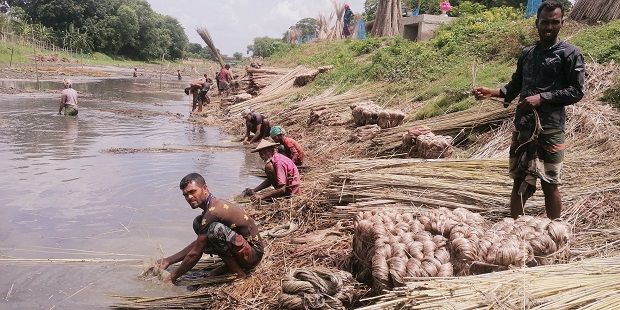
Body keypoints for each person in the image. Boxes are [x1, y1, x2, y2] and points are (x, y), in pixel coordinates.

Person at [471, 0, 584, 220]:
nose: (549, 27)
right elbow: (515, 86)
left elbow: (576, 91)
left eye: (554, 22)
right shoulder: (527, 54)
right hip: (523, 128)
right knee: (519, 180)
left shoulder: (570, 54)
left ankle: (554, 232)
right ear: (537, 23)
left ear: (562, 23)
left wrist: (543, 98)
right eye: (545, 22)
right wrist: (493, 92)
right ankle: (516, 231)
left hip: (550, 129)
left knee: (550, 182)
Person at [157, 173, 264, 283]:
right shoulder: (210, 208)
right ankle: (231, 265)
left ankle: (239, 274)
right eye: (185, 195)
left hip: (253, 255)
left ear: (204, 188)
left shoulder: (213, 212)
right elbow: (199, 243)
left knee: (215, 230)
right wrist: (168, 261)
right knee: (198, 223)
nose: (189, 197)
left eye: (192, 192)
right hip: (243, 250)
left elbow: (195, 254)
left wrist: (172, 277)